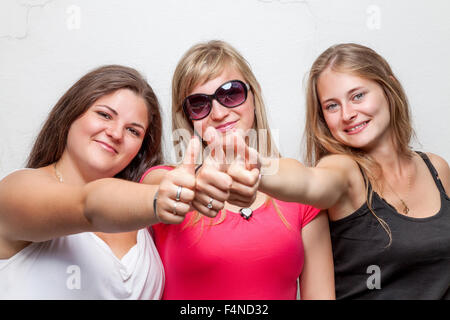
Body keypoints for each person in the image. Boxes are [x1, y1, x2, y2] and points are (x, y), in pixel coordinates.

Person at [141, 40, 335, 300]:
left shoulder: (301, 197)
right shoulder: (166, 183)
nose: (219, 113)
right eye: (199, 104)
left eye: (230, 93)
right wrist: (197, 181)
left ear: (253, 96)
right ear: (188, 118)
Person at [259, 43, 450, 299]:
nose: (348, 114)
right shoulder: (345, 170)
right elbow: (308, 182)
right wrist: (257, 168)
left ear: (388, 88)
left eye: (358, 95)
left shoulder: (436, 168)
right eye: (332, 106)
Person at [0, 65, 191, 299]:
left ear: (140, 150)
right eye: (105, 115)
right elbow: (87, 207)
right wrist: (159, 199)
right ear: (71, 113)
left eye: (133, 130)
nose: (116, 133)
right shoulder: (17, 189)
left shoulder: (145, 223)